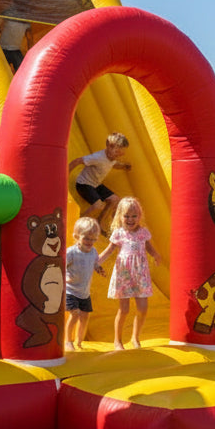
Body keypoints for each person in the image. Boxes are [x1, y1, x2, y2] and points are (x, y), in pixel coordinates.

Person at [98, 197, 161, 350]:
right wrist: (96, 261)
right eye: (126, 216)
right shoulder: (119, 233)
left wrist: (156, 255)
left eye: (134, 216)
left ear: (140, 216)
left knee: (143, 308)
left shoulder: (143, 232)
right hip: (124, 274)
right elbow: (109, 250)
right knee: (124, 309)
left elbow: (148, 246)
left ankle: (135, 337)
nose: (130, 219)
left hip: (140, 274)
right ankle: (117, 340)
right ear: (120, 216)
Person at [68, 132, 132, 228]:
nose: (119, 155)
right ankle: (78, 221)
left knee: (115, 200)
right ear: (109, 146)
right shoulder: (98, 157)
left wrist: (123, 166)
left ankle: (99, 222)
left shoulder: (112, 157)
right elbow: (77, 161)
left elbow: (113, 164)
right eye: (118, 152)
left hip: (96, 184)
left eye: (120, 153)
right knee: (98, 205)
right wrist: (65, 174)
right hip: (83, 184)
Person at [64, 217, 107, 351]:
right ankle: (68, 341)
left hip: (84, 292)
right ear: (77, 236)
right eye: (87, 238)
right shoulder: (71, 252)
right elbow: (61, 265)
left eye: (93, 239)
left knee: (85, 316)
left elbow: (95, 263)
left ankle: (79, 342)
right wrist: (66, 275)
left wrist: (99, 269)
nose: (90, 242)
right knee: (75, 314)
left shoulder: (93, 251)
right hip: (71, 290)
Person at [0, 0, 34, 72]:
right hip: (3, 48)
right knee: (0, 70)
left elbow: (29, 37)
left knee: (22, 71)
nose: (25, 1)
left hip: (15, 50)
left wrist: (30, 53)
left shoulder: (26, 17)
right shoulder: (8, 12)